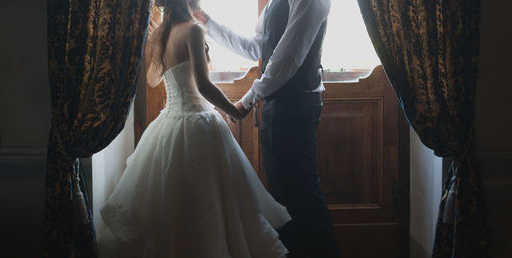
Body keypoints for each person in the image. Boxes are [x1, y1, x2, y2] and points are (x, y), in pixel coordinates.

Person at [97, 0, 291, 257]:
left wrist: (155, 45)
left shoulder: (159, 34)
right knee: (207, 204)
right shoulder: (193, 30)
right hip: (198, 123)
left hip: (169, 125)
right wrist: (234, 110)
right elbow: (203, 85)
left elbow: (152, 81)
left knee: (173, 203)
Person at [194, 0, 339, 257]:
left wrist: (248, 99)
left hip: (297, 104)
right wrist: (208, 23)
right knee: (282, 197)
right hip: (276, 106)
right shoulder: (274, 3)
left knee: (303, 196)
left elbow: (287, 58)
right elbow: (255, 47)